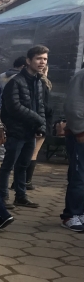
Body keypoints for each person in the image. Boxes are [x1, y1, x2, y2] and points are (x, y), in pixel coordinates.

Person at [0, 45, 48, 209]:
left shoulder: (38, 82)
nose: (42, 62)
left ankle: (21, 196)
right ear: (28, 61)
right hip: (15, 131)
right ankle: (2, 196)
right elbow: (14, 107)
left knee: (23, 165)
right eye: (39, 58)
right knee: (8, 164)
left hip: (30, 131)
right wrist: (37, 119)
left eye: (45, 59)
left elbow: (40, 105)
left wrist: (41, 126)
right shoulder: (16, 81)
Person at [61, 67, 84, 232]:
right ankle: (71, 215)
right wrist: (80, 131)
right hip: (80, 136)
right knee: (79, 177)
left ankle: (81, 213)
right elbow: (73, 106)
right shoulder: (81, 76)